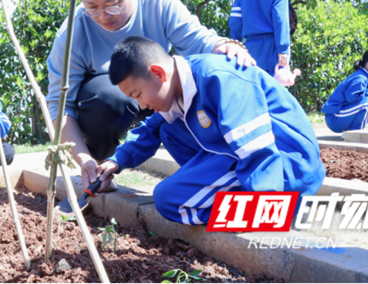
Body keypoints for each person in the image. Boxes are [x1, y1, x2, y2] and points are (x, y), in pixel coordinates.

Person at [46, 0, 255, 191]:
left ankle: (216, 170)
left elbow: (199, 42)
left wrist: (226, 46)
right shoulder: (72, 33)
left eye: (113, 4)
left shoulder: (159, 2)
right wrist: (84, 158)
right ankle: (100, 166)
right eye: (91, 7)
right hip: (109, 106)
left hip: (157, 93)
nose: (103, 15)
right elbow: (59, 107)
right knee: (109, 96)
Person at [95, 36, 325, 225]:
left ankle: (273, 211)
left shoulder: (218, 78)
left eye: (138, 95)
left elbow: (257, 147)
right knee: (166, 130)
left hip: (287, 163)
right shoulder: (176, 86)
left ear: (158, 73)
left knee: (168, 198)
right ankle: (235, 198)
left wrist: (265, 203)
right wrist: (116, 161)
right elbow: (151, 129)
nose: (142, 105)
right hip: (244, 154)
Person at [322, 49, 368, 133]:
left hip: (337, 117)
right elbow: (352, 98)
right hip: (334, 118)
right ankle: (354, 133)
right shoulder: (360, 78)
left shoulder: (363, 76)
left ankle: (351, 132)